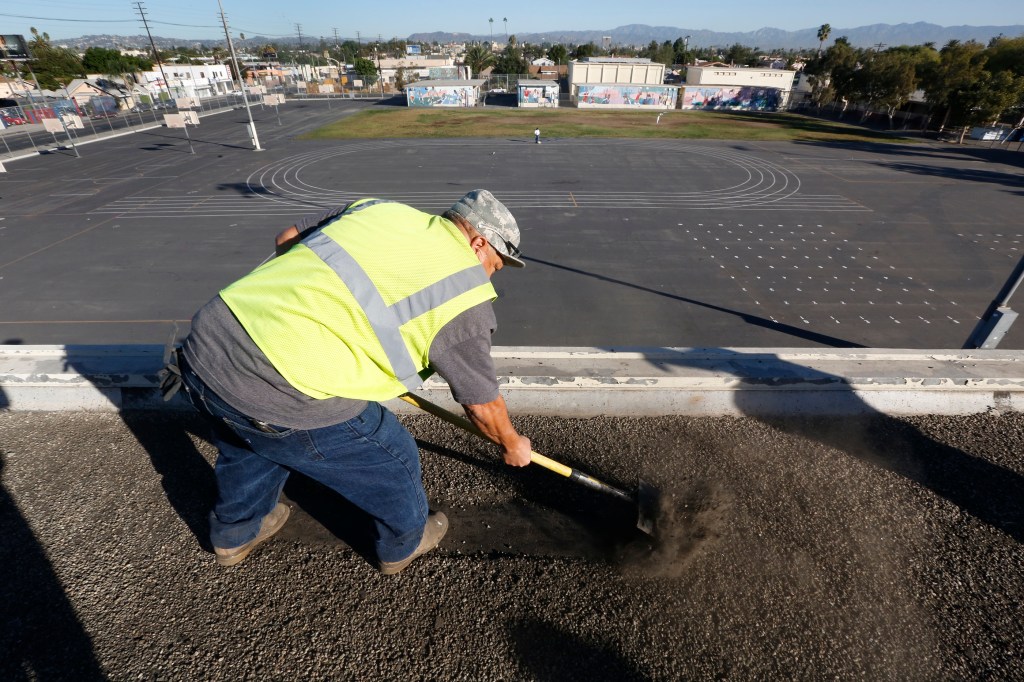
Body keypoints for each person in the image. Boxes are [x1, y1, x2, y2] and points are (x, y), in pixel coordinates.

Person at [165, 189, 532, 574]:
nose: (491, 274)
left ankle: (235, 535)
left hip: (207, 345)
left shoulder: (379, 208)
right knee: (393, 455)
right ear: (478, 243)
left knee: (249, 440)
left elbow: (286, 239)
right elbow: (482, 404)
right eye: (496, 264)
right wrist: (511, 442)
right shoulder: (465, 298)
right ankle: (402, 544)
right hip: (278, 382)